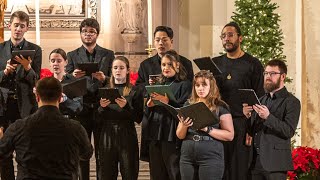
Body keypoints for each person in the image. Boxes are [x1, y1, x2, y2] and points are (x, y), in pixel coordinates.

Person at [0, 77, 93, 179]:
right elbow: (86, 154)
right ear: (59, 98)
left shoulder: (19, 127)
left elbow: (2, 152)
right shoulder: (76, 128)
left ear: (37, 97)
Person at [212, 22, 265, 180]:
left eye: (230, 35)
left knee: (238, 170)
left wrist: (251, 130)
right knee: (220, 168)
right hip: (218, 122)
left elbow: (259, 98)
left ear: (240, 38)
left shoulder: (253, 64)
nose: (226, 39)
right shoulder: (216, 63)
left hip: (241, 124)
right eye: (223, 36)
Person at [66, 18, 115, 180]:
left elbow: (114, 80)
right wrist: (72, 76)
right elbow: (66, 82)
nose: (88, 34)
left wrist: (104, 78)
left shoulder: (108, 54)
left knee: (103, 151)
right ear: (80, 33)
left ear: (97, 34)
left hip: (103, 106)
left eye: (91, 32)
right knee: (82, 151)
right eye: (84, 31)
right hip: (81, 108)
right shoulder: (72, 55)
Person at [0, 10, 42, 180]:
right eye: (15, 25)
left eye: (22, 26)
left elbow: (36, 81)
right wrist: (4, 72)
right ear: (9, 25)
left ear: (27, 28)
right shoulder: (0, 48)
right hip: (3, 107)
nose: (18, 29)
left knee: (26, 153)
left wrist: (27, 68)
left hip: (25, 107)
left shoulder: (35, 50)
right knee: (3, 153)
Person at [243, 59, 300, 180]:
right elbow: (252, 131)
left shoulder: (292, 102)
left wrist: (268, 117)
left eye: (273, 73)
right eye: (266, 73)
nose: (268, 76)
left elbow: (288, 131)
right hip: (255, 162)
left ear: (283, 76)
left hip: (275, 163)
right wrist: (248, 117)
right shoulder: (262, 100)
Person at [141, 50, 192, 180]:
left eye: (170, 64)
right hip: (155, 131)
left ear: (178, 66)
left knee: (173, 172)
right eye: (163, 65)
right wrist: (149, 105)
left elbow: (184, 110)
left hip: (171, 133)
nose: (166, 68)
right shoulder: (158, 84)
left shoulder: (185, 84)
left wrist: (168, 102)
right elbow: (147, 112)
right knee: (157, 173)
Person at [176, 70, 234, 180]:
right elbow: (180, 135)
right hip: (187, 154)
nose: (200, 88)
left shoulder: (220, 106)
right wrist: (184, 125)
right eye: (197, 85)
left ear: (211, 86)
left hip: (210, 155)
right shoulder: (188, 104)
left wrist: (207, 129)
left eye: (204, 85)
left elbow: (230, 135)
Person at [97, 56, 144, 180]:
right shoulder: (104, 90)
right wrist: (102, 107)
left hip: (127, 133)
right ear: (111, 70)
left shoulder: (134, 90)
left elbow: (139, 117)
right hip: (107, 133)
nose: (118, 70)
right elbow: (97, 117)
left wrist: (126, 107)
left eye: (122, 68)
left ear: (128, 70)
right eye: (115, 68)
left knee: (129, 172)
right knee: (106, 173)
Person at [49, 48, 83, 118]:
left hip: (68, 120)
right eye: (53, 61)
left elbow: (79, 107)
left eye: (59, 61)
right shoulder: (46, 82)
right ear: (50, 63)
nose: (55, 64)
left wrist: (65, 100)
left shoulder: (74, 81)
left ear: (66, 62)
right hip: (50, 120)